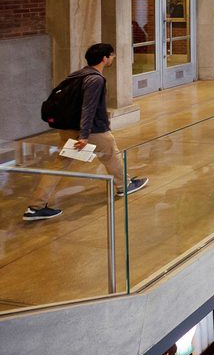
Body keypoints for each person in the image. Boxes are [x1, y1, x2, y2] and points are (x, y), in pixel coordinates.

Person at [26, 43, 149, 221]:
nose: (113, 58)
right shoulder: (96, 80)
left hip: (68, 128)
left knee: (60, 164)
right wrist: (84, 135)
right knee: (111, 154)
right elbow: (88, 108)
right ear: (104, 59)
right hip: (92, 130)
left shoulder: (77, 75)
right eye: (111, 56)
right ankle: (124, 186)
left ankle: (35, 206)